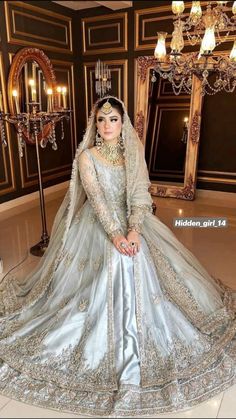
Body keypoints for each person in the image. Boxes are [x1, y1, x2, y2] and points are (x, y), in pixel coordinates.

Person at [0, 96, 235, 418]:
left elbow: (140, 194)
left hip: (133, 222)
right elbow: (96, 202)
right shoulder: (87, 157)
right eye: (101, 120)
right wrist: (117, 236)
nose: (107, 125)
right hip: (99, 225)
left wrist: (135, 229)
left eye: (113, 119)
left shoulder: (133, 153)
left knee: (142, 259)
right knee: (121, 260)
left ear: (123, 123)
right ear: (94, 125)